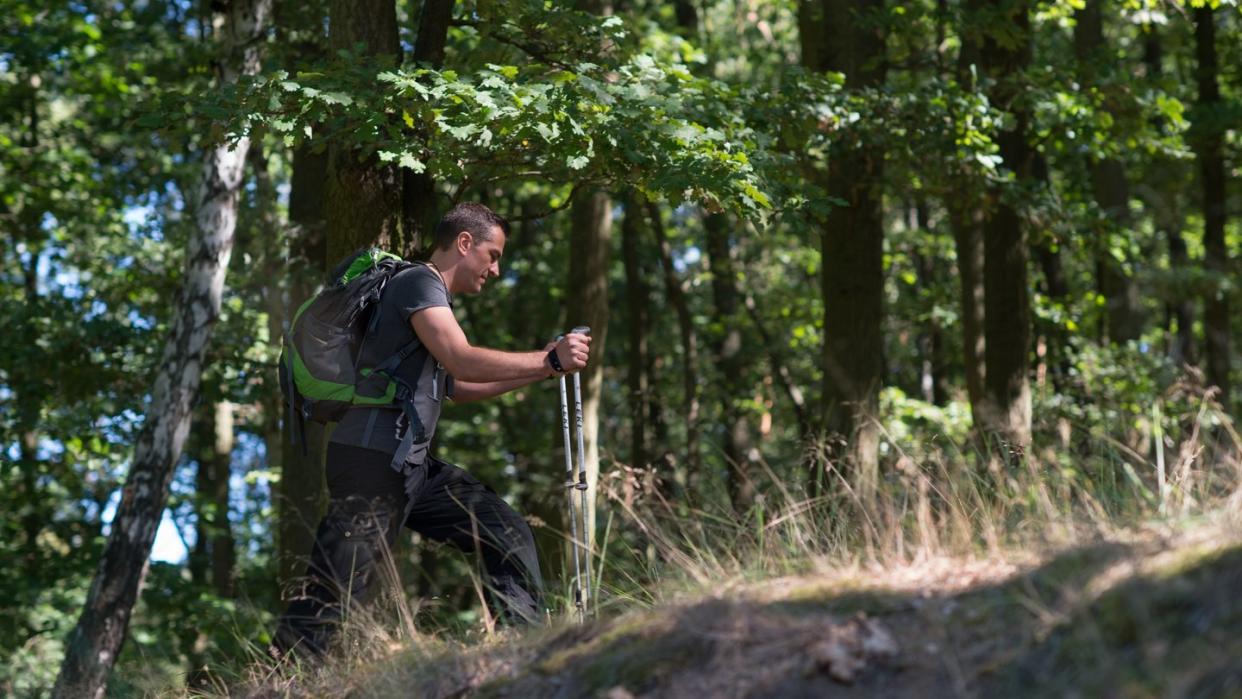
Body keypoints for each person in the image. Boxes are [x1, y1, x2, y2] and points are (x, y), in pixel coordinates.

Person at [273, 202, 591, 658]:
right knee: (334, 587)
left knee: (505, 530)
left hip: (407, 464)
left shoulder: (422, 297)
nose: (495, 270)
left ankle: (520, 655)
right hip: (370, 462)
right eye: (493, 255)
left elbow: (455, 386)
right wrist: (548, 360)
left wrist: (542, 370)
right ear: (465, 243)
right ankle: (278, 678)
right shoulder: (419, 282)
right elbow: (460, 357)